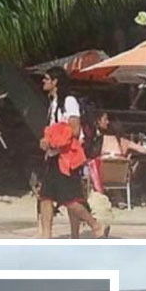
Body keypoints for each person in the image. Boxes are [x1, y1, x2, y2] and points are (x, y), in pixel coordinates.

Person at [38, 67, 103, 239]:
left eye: (46, 78)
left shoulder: (69, 101)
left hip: (66, 157)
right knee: (46, 196)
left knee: (70, 200)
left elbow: (74, 129)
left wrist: (52, 141)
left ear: (55, 82)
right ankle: (46, 235)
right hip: (53, 156)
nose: (43, 81)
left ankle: (95, 225)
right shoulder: (53, 103)